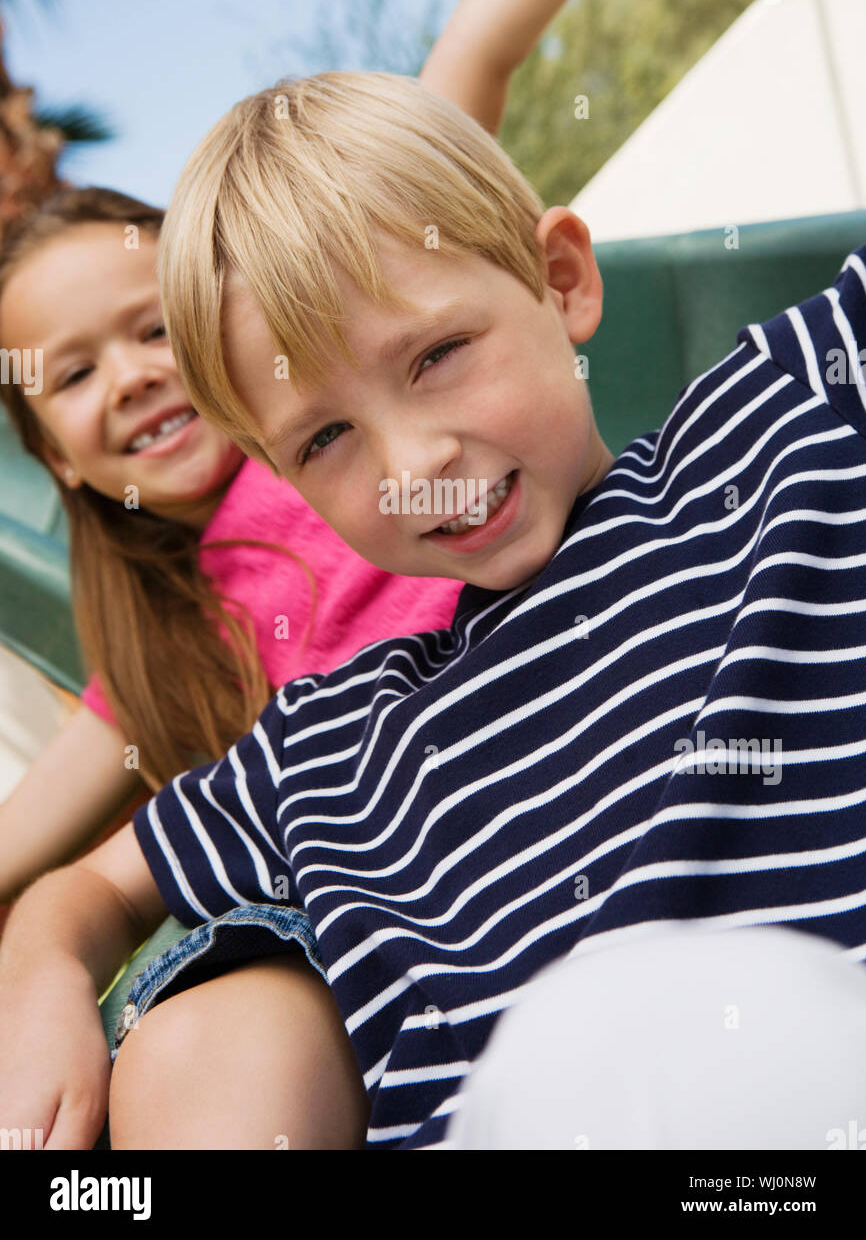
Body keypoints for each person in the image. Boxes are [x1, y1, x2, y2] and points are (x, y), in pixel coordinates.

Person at [2, 61, 865, 1153]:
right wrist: (39, 976)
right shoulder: (331, 743)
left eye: (437, 356)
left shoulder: (775, 425)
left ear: (560, 282)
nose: (410, 464)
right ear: (275, 468)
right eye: (324, 440)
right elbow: (85, 890)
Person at [0, 0, 661, 1149]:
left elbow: (478, 37)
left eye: (152, 333)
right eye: (72, 375)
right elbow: (42, 858)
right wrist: (39, 969)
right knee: (210, 1027)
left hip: (574, 768)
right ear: (58, 460)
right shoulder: (163, 648)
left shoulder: (361, 401)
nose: (133, 378)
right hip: (372, 899)